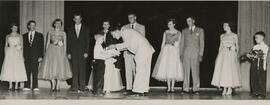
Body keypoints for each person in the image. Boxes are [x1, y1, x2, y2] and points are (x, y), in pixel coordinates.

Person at [108, 25, 155, 96]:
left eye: (113, 34)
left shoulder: (125, 33)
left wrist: (114, 46)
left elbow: (127, 44)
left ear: (117, 31)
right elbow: (128, 46)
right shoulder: (127, 32)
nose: (114, 37)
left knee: (140, 70)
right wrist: (117, 49)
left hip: (142, 50)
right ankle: (143, 89)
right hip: (147, 49)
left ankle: (138, 90)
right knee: (145, 71)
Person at [38, 18, 72, 92]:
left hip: (60, 51)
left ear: (61, 25)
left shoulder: (63, 33)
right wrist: (46, 53)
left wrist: (64, 53)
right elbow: (47, 43)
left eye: (59, 23)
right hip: (51, 51)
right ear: (54, 24)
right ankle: (53, 85)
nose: (58, 25)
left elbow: (65, 44)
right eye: (57, 23)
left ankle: (58, 86)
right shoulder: (50, 32)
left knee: (60, 68)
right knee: (51, 68)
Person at [152, 19, 184, 93]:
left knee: (173, 68)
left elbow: (180, 43)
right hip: (167, 50)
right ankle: (168, 88)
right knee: (167, 68)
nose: (168, 25)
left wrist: (178, 51)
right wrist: (162, 52)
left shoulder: (178, 33)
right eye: (168, 24)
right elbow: (163, 42)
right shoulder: (166, 32)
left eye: (170, 24)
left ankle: (172, 88)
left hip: (174, 51)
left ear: (174, 24)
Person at [211, 22, 241, 95]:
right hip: (223, 54)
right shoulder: (222, 35)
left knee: (230, 71)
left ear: (229, 26)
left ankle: (230, 88)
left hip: (231, 54)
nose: (223, 26)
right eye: (223, 25)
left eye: (225, 25)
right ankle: (224, 88)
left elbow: (237, 46)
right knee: (223, 71)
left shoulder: (234, 35)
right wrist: (218, 55)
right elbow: (220, 46)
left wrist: (235, 54)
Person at [121, 13, 146, 94]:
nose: (130, 19)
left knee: (137, 70)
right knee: (128, 71)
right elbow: (123, 40)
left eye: (131, 17)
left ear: (135, 17)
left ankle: (137, 87)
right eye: (128, 18)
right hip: (127, 52)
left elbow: (142, 40)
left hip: (137, 53)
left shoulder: (141, 27)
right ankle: (129, 88)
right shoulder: (125, 27)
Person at [180, 16, 204, 94]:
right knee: (186, 72)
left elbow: (202, 43)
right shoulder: (184, 31)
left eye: (189, 20)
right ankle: (185, 88)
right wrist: (181, 54)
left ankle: (196, 89)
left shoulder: (200, 30)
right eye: (187, 21)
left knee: (195, 72)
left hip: (195, 54)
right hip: (186, 54)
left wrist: (200, 54)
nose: (188, 22)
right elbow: (182, 44)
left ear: (193, 20)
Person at [67, 13, 90, 93]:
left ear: (81, 19)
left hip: (82, 53)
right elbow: (68, 42)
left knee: (82, 70)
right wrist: (68, 53)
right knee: (74, 71)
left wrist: (86, 52)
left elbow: (87, 41)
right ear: (73, 19)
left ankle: (82, 88)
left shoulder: (86, 29)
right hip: (73, 53)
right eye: (75, 19)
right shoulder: (70, 29)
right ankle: (75, 88)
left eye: (78, 19)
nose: (77, 20)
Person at [0, 23, 27, 91]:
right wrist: (5, 55)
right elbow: (6, 46)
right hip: (10, 53)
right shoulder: (8, 36)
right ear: (11, 28)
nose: (15, 29)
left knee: (17, 68)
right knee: (10, 68)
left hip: (17, 53)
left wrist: (22, 55)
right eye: (14, 27)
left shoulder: (20, 36)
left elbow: (22, 46)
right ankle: (10, 85)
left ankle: (16, 85)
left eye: (16, 27)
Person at [22, 20, 44, 91]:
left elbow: (41, 47)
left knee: (35, 71)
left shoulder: (40, 35)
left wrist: (41, 56)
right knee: (27, 71)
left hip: (36, 56)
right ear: (28, 26)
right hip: (27, 57)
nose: (33, 27)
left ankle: (35, 86)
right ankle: (27, 86)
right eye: (31, 25)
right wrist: (22, 56)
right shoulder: (24, 36)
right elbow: (23, 47)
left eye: (34, 25)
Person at [247, 31, 268, 98]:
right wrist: (249, 56)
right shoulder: (255, 46)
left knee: (261, 78)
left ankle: (262, 93)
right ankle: (255, 91)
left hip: (261, 63)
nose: (255, 39)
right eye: (255, 38)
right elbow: (252, 55)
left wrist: (253, 55)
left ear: (262, 38)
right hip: (254, 63)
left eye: (256, 37)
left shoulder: (265, 46)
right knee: (254, 77)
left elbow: (261, 55)